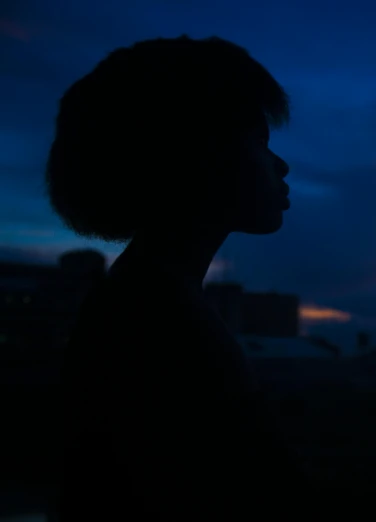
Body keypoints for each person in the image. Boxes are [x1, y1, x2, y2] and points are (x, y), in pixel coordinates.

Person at [48, 36, 305, 522]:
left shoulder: (142, 298)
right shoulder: (160, 318)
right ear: (197, 155)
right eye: (259, 141)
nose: (280, 165)